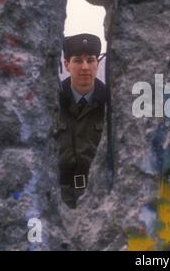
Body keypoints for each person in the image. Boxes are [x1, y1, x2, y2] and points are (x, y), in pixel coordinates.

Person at [55, 33, 105, 209]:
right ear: (67, 64)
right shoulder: (52, 102)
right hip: (58, 197)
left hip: (100, 196)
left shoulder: (111, 104)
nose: (85, 67)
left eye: (91, 60)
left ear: (97, 64)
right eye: (77, 60)